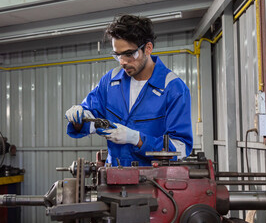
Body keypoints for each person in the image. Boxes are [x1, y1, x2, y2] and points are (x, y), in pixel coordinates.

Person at [65, 14, 193, 166]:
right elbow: (91, 116)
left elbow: (181, 147)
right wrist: (79, 118)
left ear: (148, 48)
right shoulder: (110, 81)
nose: (123, 62)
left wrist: (136, 139)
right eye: (117, 55)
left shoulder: (173, 88)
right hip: (113, 178)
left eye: (129, 54)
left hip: (152, 182)